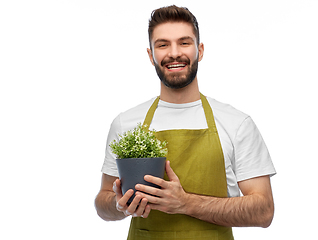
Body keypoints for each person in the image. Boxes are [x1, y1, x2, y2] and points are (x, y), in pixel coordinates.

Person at [95, 5, 276, 240]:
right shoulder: (125, 123)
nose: (174, 53)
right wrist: (119, 205)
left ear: (199, 50)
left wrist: (185, 203)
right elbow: (103, 201)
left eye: (184, 42)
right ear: (151, 56)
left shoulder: (236, 123)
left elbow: (264, 211)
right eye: (162, 45)